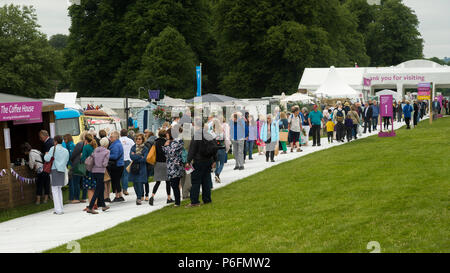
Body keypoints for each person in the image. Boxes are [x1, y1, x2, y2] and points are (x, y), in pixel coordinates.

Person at [185, 122, 216, 208]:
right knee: (206, 181)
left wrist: (188, 161)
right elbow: (214, 148)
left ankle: (194, 201)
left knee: (196, 182)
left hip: (198, 161)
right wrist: (214, 160)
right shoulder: (209, 135)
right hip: (208, 160)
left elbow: (192, 150)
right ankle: (207, 199)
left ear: (196, 126)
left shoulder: (197, 136)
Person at [44, 135, 69, 215]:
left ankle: (58, 210)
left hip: (55, 169)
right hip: (62, 169)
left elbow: (46, 159)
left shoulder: (53, 148)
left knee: (55, 190)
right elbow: (67, 160)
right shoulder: (65, 150)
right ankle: (60, 208)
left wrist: (46, 154)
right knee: (59, 189)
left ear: (55, 141)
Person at [86, 138, 111, 214]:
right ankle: (90, 207)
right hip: (101, 171)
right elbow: (104, 163)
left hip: (94, 171)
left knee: (101, 187)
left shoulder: (96, 150)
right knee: (98, 189)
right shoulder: (107, 151)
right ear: (107, 144)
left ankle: (103, 205)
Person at [149, 129, 173, 206]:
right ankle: (169, 198)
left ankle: (152, 196)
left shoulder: (155, 142)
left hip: (157, 163)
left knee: (158, 181)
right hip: (165, 163)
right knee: (167, 181)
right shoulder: (166, 142)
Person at [162, 127, 184, 207]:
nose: (166, 136)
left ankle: (177, 202)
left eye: (167, 134)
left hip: (175, 166)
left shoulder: (176, 142)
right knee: (174, 184)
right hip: (172, 166)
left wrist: (166, 146)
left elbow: (171, 153)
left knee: (175, 184)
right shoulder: (173, 142)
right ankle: (177, 201)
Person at [128, 133, 149, 205]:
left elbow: (145, 159)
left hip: (141, 168)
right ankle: (138, 196)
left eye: (139, 139)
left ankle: (139, 198)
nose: (138, 140)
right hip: (134, 168)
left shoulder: (145, 149)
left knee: (140, 182)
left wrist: (136, 156)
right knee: (135, 183)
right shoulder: (133, 147)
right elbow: (131, 157)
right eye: (136, 139)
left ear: (142, 140)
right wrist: (140, 156)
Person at [81, 133, 97, 210]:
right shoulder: (95, 146)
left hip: (88, 169)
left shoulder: (86, 147)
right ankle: (96, 203)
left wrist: (81, 156)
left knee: (89, 188)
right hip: (95, 169)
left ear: (85, 139)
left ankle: (91, 205)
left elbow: (83, 158)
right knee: (94, 187)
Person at [107, 131, 125, 202]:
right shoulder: (118, 143)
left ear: (115, 137)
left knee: (115, 180)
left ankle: (118, 196)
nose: (110, 138)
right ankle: (119, 195)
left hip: (116, 165)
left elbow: (115, 156)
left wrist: (106, 155)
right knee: (117, 180)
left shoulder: (116, 145)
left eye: (111, 137)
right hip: (119, 165)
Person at [38, 130, 53, 204]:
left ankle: (49, 197)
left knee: (47, 181)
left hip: (49, 164)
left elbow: (47, 157)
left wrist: (43, 156)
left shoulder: (48, 143)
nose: (40, 139)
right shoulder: (52, 140)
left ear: (45, 136)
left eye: (41, 137)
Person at [119, 129, 135, 197]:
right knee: (126, 175)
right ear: (127, 134)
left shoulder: (118, 140)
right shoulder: (130, 141)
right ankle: (125, 189)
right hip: (128, 159)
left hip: (120, 159)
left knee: (120, 175)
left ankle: (120, 189)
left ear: (120, 133)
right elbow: (134, 148)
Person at [144, 131, 157, 200]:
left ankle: (146, 194)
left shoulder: (147, 143)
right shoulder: (156, 141)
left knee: (145, 179)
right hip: (155, 161)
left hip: (148, 161)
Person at [213, 118, 226, 183]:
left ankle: (216, 176)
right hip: (222, 148)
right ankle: (217, 174)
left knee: (217, 163)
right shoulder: (222, 131)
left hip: (215, 149)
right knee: (222, 163)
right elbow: (225, 139)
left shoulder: (212, 131)